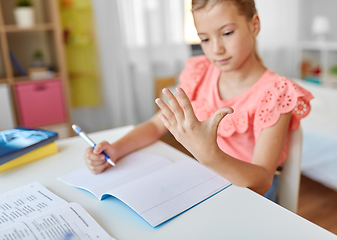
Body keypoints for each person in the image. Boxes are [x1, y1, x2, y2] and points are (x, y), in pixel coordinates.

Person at [83, 0, 313, 202]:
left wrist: (210, 156)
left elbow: (262, 181)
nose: (216, 49)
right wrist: (115, 149)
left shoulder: (276, 92)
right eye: (204, 38)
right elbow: (155, 125)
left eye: (227, 33)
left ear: (254, 25)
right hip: (206, 185)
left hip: (250, 197)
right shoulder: (200, 74)